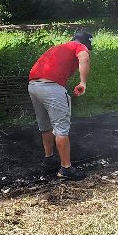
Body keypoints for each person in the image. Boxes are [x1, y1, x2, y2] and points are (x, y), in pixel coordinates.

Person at [28, 29, 92, 180]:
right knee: (61, 128)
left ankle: (49, 159)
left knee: (45, 126)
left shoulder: (59, 47)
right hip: (51, 88)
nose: (87, 50)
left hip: (33, 85)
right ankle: (66, 168)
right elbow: (84, 58)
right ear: (85, 42)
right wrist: (83, 82)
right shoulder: (80, 47)